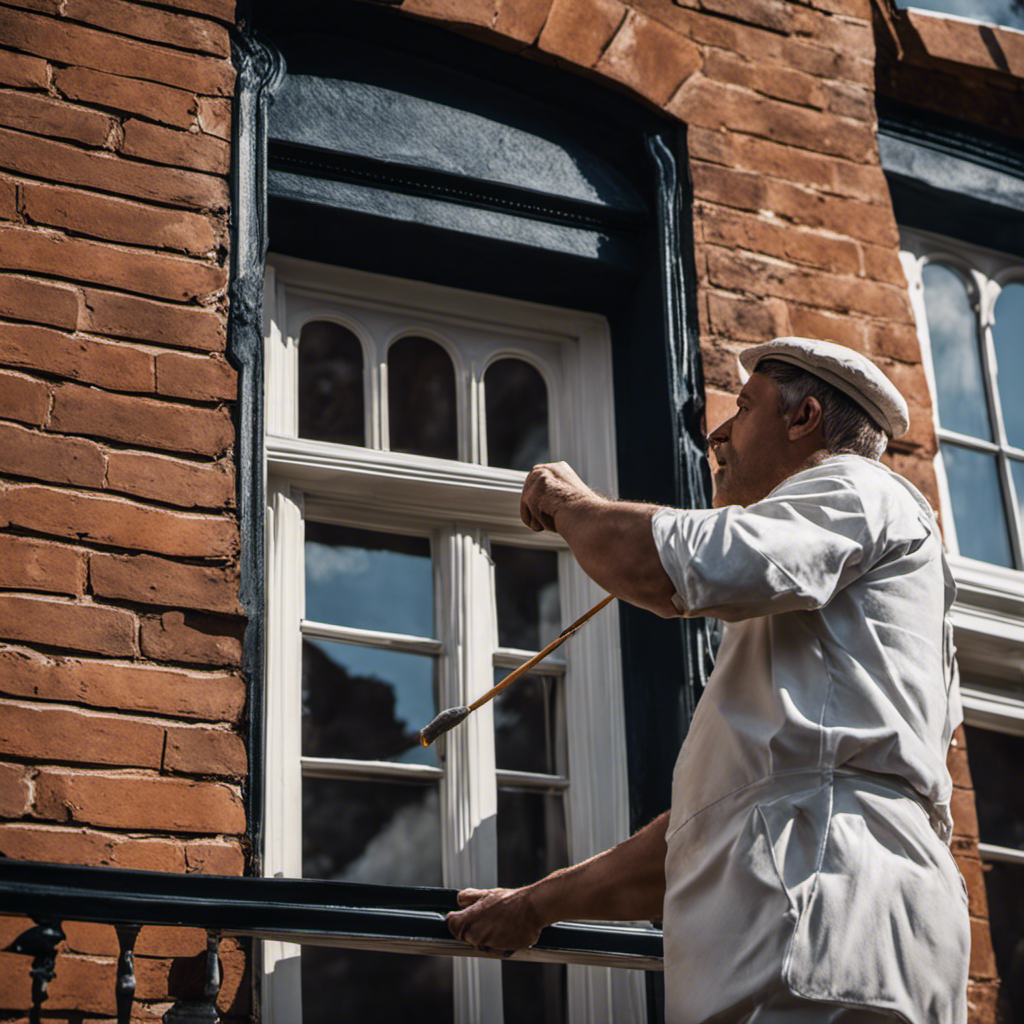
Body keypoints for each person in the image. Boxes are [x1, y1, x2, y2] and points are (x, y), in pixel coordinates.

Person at [446, 337, 970, 1024]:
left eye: (743, 408)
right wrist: (535, 905)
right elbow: (702, 835)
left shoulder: (854, 485)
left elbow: (666, 569)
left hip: (825, 925)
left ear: (804, 417)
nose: (717, 433)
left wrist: (572, 505)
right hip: (838, 929)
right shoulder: (822, 682)